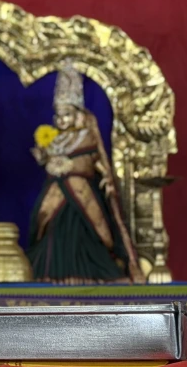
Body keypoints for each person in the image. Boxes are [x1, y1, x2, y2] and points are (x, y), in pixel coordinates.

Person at [28, 61, 144, 284]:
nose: (62, 120)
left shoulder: (87, 136)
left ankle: (88, 275)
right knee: (49, 225)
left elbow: (95, 161)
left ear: (78, 114)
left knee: (87, 229)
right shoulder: (54, 139)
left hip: (82, 194)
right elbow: (51, 162)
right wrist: (43, 158)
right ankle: (50, 275)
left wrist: (105, 177)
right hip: (56, 193)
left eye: (67, 114)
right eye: (58, 115)